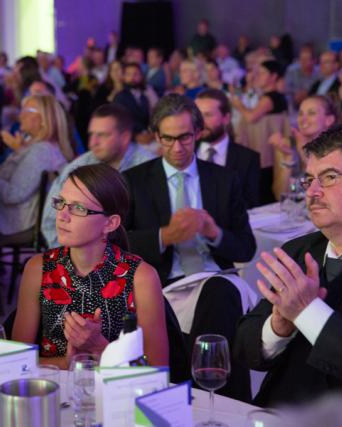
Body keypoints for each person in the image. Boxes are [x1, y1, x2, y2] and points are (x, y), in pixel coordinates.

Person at [234, 124, 342, 406]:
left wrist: (307, 312)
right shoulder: (298, 249)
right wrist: (279, 327)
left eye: (329, 177)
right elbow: (244, 348)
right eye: (309, 179)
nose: (312, 191)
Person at [123, 94, 256, 400]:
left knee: (219, 294)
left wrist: (213, 232)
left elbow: (246, 248)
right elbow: (118, 245)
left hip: (213, 276)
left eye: (184, 137)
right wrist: (164, 236)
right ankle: (218, 399)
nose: (177, 148)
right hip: (162, 281)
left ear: (198, 133)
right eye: (167, 139)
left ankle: (206, 398)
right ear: (156, 136)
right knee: (216, 305)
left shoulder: (223, 180)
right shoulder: (135, 181)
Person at [13, 164, 169, 368]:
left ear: (110, 224)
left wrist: (99, 348)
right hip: (51, 393)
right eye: (61, 203)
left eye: (77, 208)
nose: (61, 216)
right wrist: (67, 362)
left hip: (118, 395)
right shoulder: (39, 268)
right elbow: (14, 361)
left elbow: (158, 369)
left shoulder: (141, 277)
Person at [41, 103, 157, 247]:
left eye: (102, 135)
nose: (92, 143)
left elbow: (154, 233)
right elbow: (50, 221)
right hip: (77, 257)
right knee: (34, 268)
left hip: (132, 259)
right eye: (91, 134)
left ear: (125, 137)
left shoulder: (148, 168)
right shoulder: (81, 165)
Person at [0, 94, 69, 236]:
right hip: (14, 215)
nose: (20, 116)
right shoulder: (38, 146)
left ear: (43, 120)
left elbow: (13, 194)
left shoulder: (41, 151)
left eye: (27, 111)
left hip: (14, 221)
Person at [232, 59, 289, 204]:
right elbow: (248, 92)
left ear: (273, 76)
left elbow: (251, 117)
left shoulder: (271, 98)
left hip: (267, 150)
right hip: (265, 147)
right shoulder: (266, 95)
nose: (258, 76)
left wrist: (238, 105)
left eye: (263, 73)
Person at [195, 89, 260, 208]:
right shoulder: (184, 152)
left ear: (226, 118)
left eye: (208, 115)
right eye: (198, 115)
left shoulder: (248, 159)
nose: (201, 123)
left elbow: (250, 205)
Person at [269, 95, 342, 198]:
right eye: (300, 114)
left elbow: (332, 192)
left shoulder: (339, 149)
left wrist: (304, 154)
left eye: (311, 113)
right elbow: (279, 195)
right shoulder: (286, 145)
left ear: (329, 120)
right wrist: (288, 158)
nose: (303, 119)